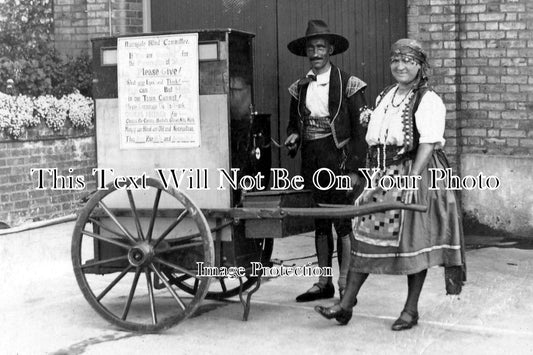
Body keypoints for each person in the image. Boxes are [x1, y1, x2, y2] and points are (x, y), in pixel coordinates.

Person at [315, 38, 466, 329]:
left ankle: (410, 310)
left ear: (421, 67)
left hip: (415, 174)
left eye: (408, 61)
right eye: (396, 60)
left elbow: (428, 142)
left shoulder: (428, 99)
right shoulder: (387, 95)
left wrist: (412, 179)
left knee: (413, 244)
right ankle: (346, 305)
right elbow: (376, 140)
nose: (400, 66)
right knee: (364, 237)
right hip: (385, 176)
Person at [284, 20, 367, 302]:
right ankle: (323, 282)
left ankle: (346, 284)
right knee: (319, 221)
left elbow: (360, 131)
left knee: (342, 221)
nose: (316, 52)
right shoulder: (300, 87)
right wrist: (294, 136)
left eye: (321, 47)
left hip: (339, 162)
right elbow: (292, 125)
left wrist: (356, 170)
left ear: (330, 49)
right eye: (311, 48)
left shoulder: (348, 84)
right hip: (312, 160)